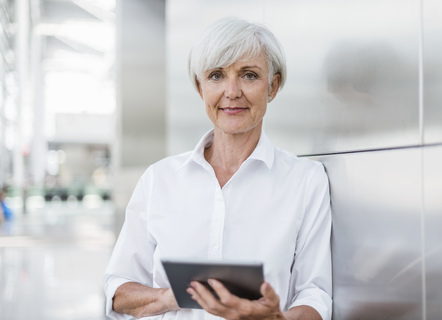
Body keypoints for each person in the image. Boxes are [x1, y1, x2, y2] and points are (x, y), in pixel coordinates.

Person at [104, 17, 332, 320]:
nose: (232, 91)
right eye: (216, 76)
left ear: (273, 86)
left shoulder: (305, 181)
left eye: (249, 75)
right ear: (200, 88)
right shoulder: (159, 179)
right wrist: (174, 296)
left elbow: (315, 296)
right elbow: (118, 291)